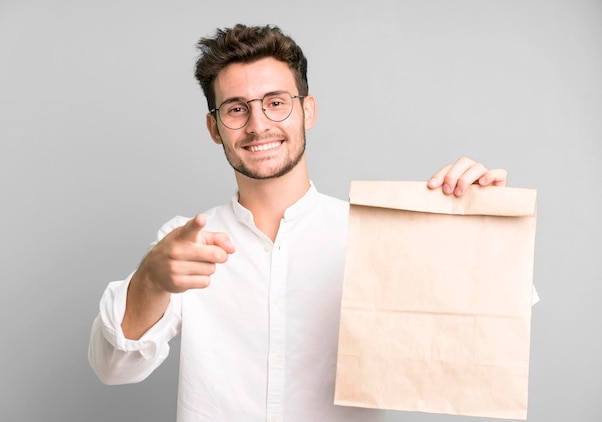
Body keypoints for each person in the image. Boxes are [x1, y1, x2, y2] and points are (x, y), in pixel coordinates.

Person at [88, 24, 511, 422]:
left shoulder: (369, 235)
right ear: (214, 128)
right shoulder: (185, 243)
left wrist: (474, 222)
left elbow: (484, 334)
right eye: (236, 109)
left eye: (275, 102)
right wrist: (151, 280)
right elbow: (114, 368)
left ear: (307, 110)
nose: (258, 125)